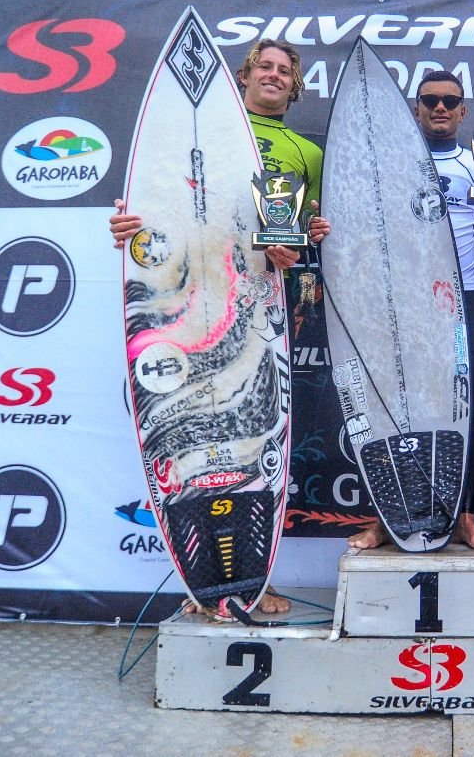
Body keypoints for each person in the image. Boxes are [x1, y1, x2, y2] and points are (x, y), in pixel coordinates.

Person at [110, 39, 331, 615]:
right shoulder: (199, 131)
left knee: (252, 431)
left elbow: (305, 233)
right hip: (186, 298)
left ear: (295, 85)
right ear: (244, 75)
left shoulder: (306, 152)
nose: (275, 76)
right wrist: (129, 227)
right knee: (186, 430)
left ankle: (254, 579)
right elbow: (156, 206)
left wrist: (301, 246)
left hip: (257, 301)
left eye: (285, 71)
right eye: (265, 67)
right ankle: (200, 579)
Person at [344, 70, 474, 552]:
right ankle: (386, 517)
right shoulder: (388, 163)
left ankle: (464, 517)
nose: (440, 107)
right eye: (430, 100)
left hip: (462, 301)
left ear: (464, 110)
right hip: (400, 302)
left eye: (450, 100)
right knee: (390, 407)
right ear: (415, 108)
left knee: (465, 409)